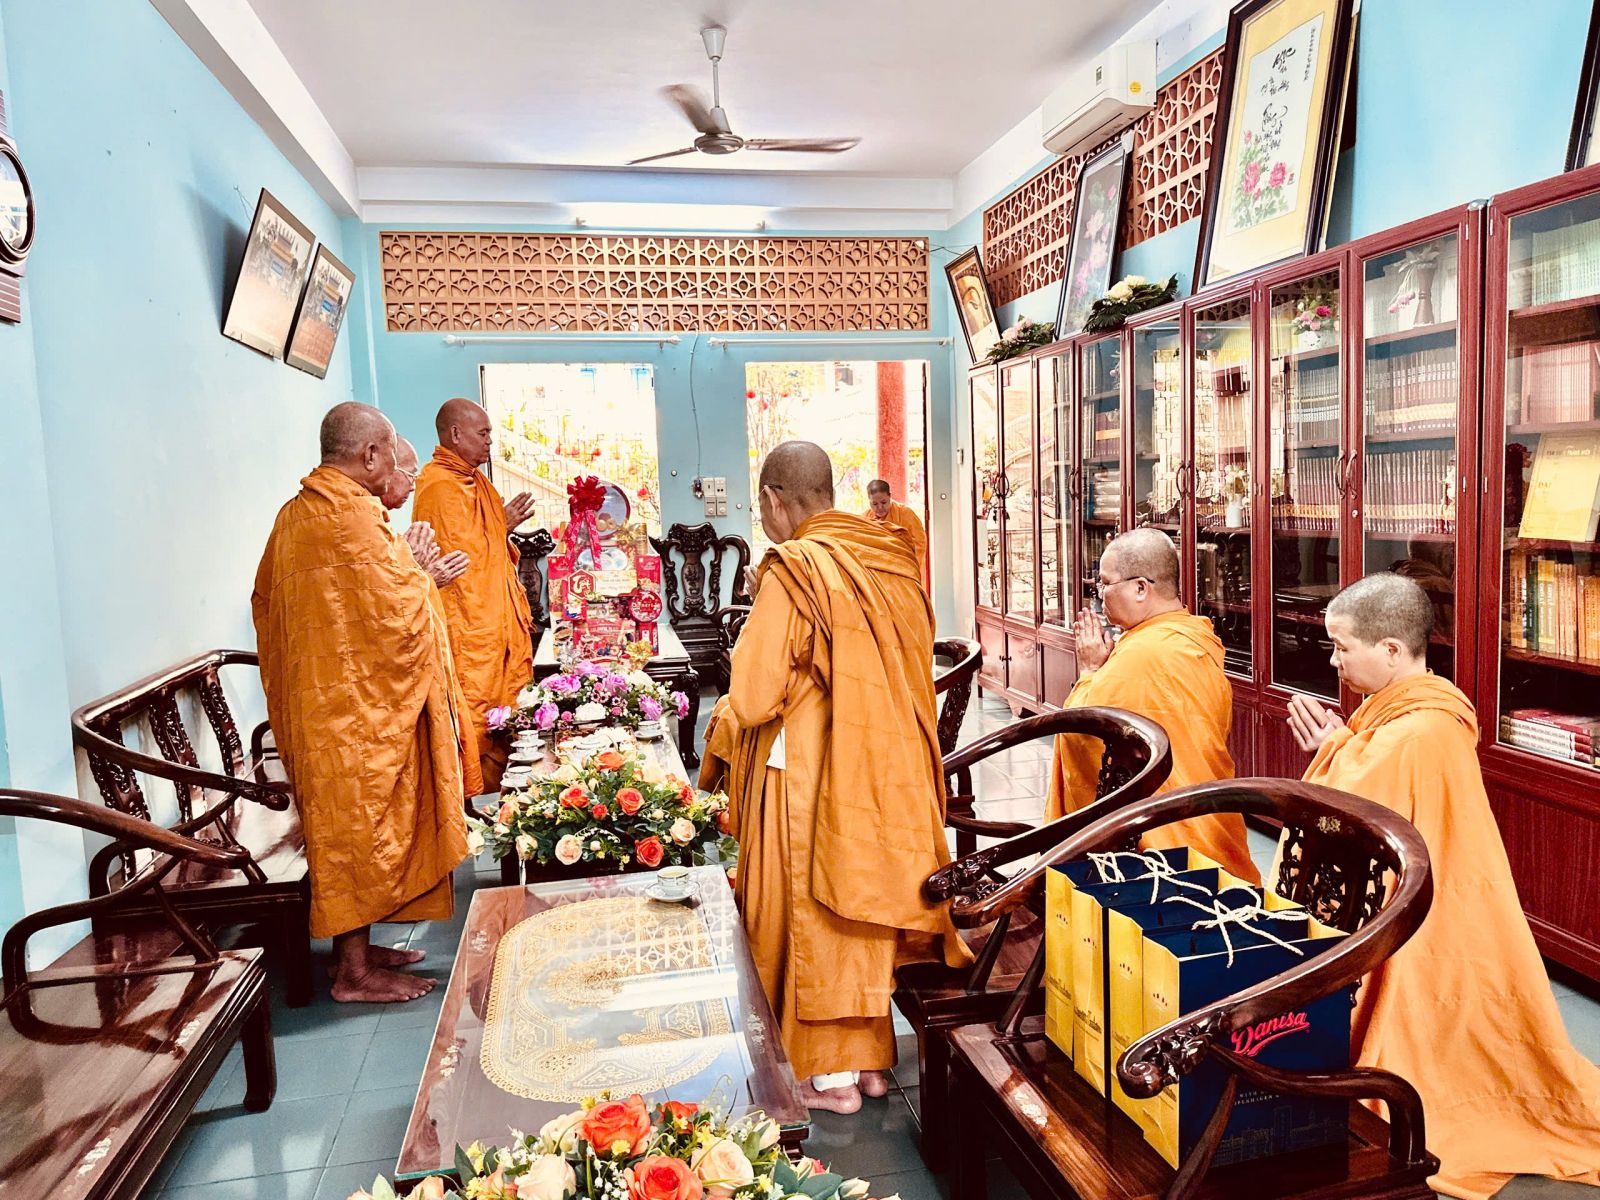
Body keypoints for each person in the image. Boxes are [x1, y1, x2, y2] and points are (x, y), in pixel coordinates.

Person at [1286, 573, 1600, 1200]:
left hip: (1437, 913)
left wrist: (1331, 748)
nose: (1334, 661)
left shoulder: (1421, 729)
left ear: (1391, 651)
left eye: (1342, 647)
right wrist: (1341, 746)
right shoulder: (1420, 708)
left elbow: (1361, 810)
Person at [700, 440, 969, 1114]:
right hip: (888, 769)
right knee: (862, 903)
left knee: (811, 908)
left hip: (809, 773)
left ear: (774, 501)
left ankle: (828, 1076)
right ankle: (870, 1061)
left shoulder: (795, 569)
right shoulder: (891, 556)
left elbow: (754, 695)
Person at [253, 402, 470, 1003]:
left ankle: (359, 949)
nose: (395, 465)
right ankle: (353, 973)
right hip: (354, 715)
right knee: (361, 827)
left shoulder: (296, 514)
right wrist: (425, 577)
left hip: (320, 703)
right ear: (370, 454)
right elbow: (396, 615)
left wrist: (411, 576)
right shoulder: (351, 518)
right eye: (391, 452)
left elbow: (269, 602)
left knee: (348, 825)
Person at [1045, 527, 1258, 882]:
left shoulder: (1146, 652)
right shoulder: (1193, 635)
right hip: (1206, 820)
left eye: (1104, 583)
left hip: (1161, 846)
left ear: (1141, 588)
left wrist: (1090, 670)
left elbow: (1079, 731)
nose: (1099, 594)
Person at [412, 398, 536, 792]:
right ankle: (470, 800)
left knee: (505, 715)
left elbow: (485, 549)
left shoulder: (474, 481)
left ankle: (506, 794)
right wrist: (500, 525)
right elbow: (460, 566)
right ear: (455, 434)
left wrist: (502, 524)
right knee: (475, 716)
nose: (489, 442)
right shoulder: (438, 487)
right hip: (469, 629)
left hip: (494, 622)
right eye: (483, 433)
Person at [381, 438, 484, 800]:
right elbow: (380, 616)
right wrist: (424, 577)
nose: (412, 484)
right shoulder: (436, 488)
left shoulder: (375, 524)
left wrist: (421, 575)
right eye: (408, 474)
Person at [863, 478, 928, 590]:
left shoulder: (905, 514)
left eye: (884, 502)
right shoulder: (865, 519)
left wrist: (906, 566)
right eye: (875, 504)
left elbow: (919, 543)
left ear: (890, 496)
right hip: (878, 573)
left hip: (904, 570)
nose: (880, 508)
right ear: (869, 501)